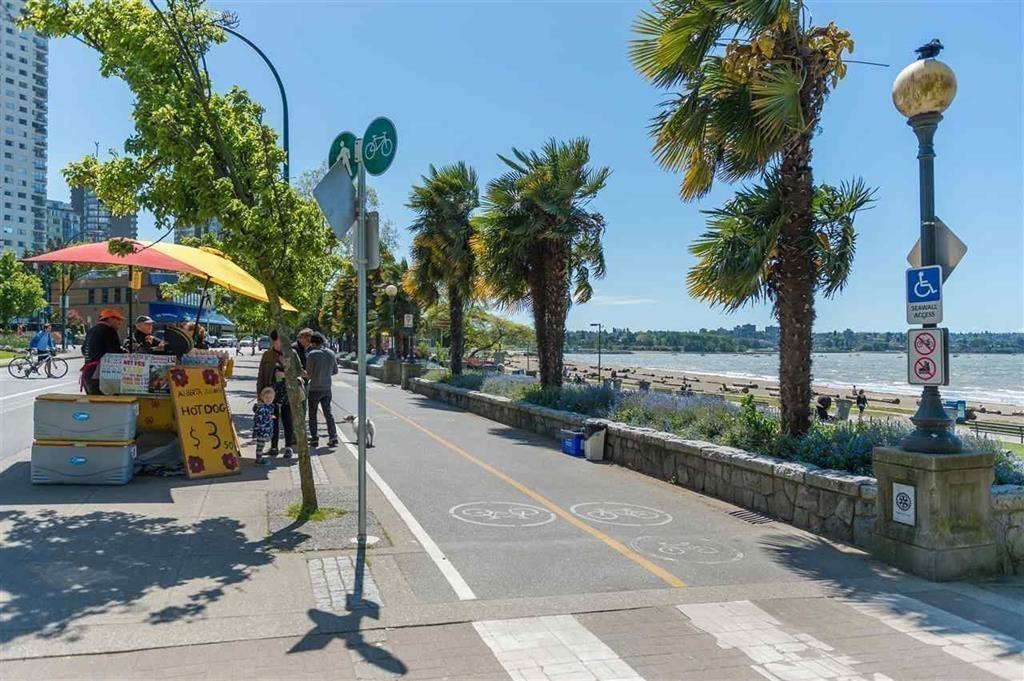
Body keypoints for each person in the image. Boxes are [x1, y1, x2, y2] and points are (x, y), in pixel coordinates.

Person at [256, 329, 299, 458]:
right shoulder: (267, 355)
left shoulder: (292, 354)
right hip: (270, 392)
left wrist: (285, 373)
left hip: (287, 391)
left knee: (288, 419)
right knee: (272, 419)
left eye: (281, 341)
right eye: (276, 341)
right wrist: (259, 393)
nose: (279, 344)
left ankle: (288, 447)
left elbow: (300, 372)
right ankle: (274, 447)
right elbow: (261, 375)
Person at [81, 309, 126, 394]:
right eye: (118, 319)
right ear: (109, 319)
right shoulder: (109, 330)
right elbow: (115, 353)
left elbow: (83, 350)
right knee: (106, 404)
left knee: (93, 404)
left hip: (87, 374)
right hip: (101, 376)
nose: (120, 322)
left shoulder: (91, 330)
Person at [306, 332, 339, 448]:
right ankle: (333, 436)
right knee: (328, 413)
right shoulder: (331, 353)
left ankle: (315, 438)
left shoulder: (312, 354)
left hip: (314, 388)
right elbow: (335, 371)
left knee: (312, 413)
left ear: (313, 343)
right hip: (327, 388)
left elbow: (308, 374)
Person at [252, 386, 277, 467]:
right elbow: (259, 419)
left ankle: (259, 458)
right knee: (260, 445)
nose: (269, 399)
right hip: (262, 430)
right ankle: (258, 459)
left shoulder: (268, 407)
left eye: (271, 397)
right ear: (262, 397)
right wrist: (269, 417)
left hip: (265, 430)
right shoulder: (261, 408)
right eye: (266, 397)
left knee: (261, 445)